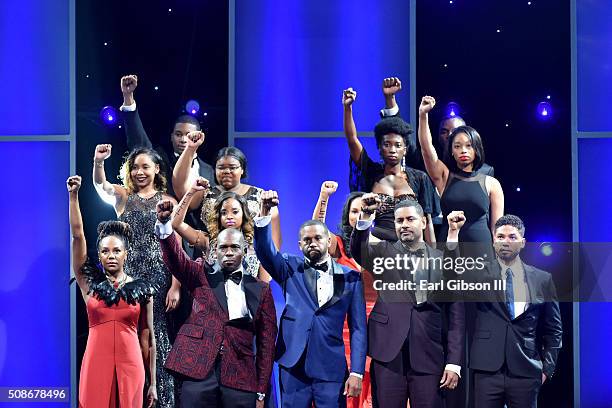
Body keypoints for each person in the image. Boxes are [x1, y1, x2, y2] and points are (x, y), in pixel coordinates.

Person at [155, 200, 278, 407]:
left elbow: (267, 345)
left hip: (240, 375)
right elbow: (175, 260)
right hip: (198, 370)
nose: (228, 252)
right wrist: (166, 226)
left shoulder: (261, 290)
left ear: (245, 251)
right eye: (223, 247)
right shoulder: (200, 273)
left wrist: (261, 392)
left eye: (234, 247)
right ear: (215, 251)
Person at [350, 194, 465, 408]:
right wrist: (365, 216)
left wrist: (454, 363)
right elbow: (358, 251)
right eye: (399, 221)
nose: (404, 225)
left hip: (429, 353)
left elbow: (456, 315)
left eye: (410, 219)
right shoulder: (383, 253)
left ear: (423, 222)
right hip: (387, 351)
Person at [254, 191, 367, 407]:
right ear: (299, 244)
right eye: (306, 240)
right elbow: (265, 251)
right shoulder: (289, 267)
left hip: (331, 367)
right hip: (293, 364)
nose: (312, 243)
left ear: (328, 240)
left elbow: (358, 328)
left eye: (317, 238)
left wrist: (357, 372)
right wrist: (264, 213)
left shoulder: (351, 277)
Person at [92, 144, 179, 407]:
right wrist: (98, 162)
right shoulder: (123, 196)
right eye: (135, 167)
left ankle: (161, 396)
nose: (140, 172)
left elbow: (176, 245)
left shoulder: (167, 201)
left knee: (156, 335)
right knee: (129, 336)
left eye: (145, 166)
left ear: (156, 169)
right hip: (127, 276)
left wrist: (176, 284)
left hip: (158, 275)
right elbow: (101, 185)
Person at [452, 215, 563, 408]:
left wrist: (548, 368)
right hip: (487, 370)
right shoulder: (479, 274)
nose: (505, 241)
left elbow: (554, 329)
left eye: (512, 237)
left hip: (527, 369)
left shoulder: (542, 279)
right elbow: (452, 273)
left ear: (522, 242)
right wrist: (453, 233)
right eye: (500, 237)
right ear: (494, 241)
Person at [67, 175, 157, 407]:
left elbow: (147, 337)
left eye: (116, 250)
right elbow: (77, 235)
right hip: (96, 362)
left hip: (131, 364)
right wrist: (73, 196)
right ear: (99, 255)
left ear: (125, 253)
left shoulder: (142, 289)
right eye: (105, 251)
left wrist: (153, 383)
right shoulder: (89, 284)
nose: (111, 255)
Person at [173, 133, 282, 274]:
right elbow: (179, 187)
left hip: (250, 269)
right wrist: (190, 148)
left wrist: (263, 284)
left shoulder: (261, 196)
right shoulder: (205, 192)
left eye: (232, 167)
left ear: (242, 169)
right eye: (221, 167)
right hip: (211, 267)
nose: (226, 171)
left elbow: (272, 244)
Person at [344, 87, 437, 244]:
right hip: (378, 247)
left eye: (397, 145)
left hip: (411, 248)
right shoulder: (371, 172)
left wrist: (433, 256)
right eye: (387, 144)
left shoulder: (419, 178)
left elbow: (426, 221)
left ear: (405, 149)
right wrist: (348, 108)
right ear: (380, 148)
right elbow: (352, 140)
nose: (392, 149)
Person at [312, 182, 376, 408]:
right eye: (354, 211)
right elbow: (315, 230)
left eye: (363, 210)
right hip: (343, 325)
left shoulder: (381, 245)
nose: (358, 215)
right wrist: (324, 197)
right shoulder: (338, 244)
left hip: (374, 325)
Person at [417, 95, 504, 256]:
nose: (463, 150)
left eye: (468, 146)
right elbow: (426, 149)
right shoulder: (444, 176)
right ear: (451, 150)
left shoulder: (492, 183)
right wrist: (423, 114)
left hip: (482, 253)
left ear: (476, 149)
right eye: (457, 146)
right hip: (450, 249)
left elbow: (497, 229)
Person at [119, 74, 215, 197]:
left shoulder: (209, 171)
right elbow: (139, 143)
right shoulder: (160, 159)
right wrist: (128, 98)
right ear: (171, 136)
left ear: (200, 137)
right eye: (178, 134)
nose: (184, 140)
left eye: (189, 135)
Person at [379, 77, 494, 176]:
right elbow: (401, 135)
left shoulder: (485, 171)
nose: (449, 135)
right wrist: (390, 99)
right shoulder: (426, 162)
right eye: (444, 132)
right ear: (437, 137)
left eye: (454, 132)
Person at [172, 176, 263, 278]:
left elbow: (264, 286)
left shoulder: (255, 245)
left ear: (244, 215)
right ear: (219, 217)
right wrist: (191, 191)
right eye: (224, 213)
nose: (229, 216)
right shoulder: (208, 242)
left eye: (235, 212)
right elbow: (176, 224)